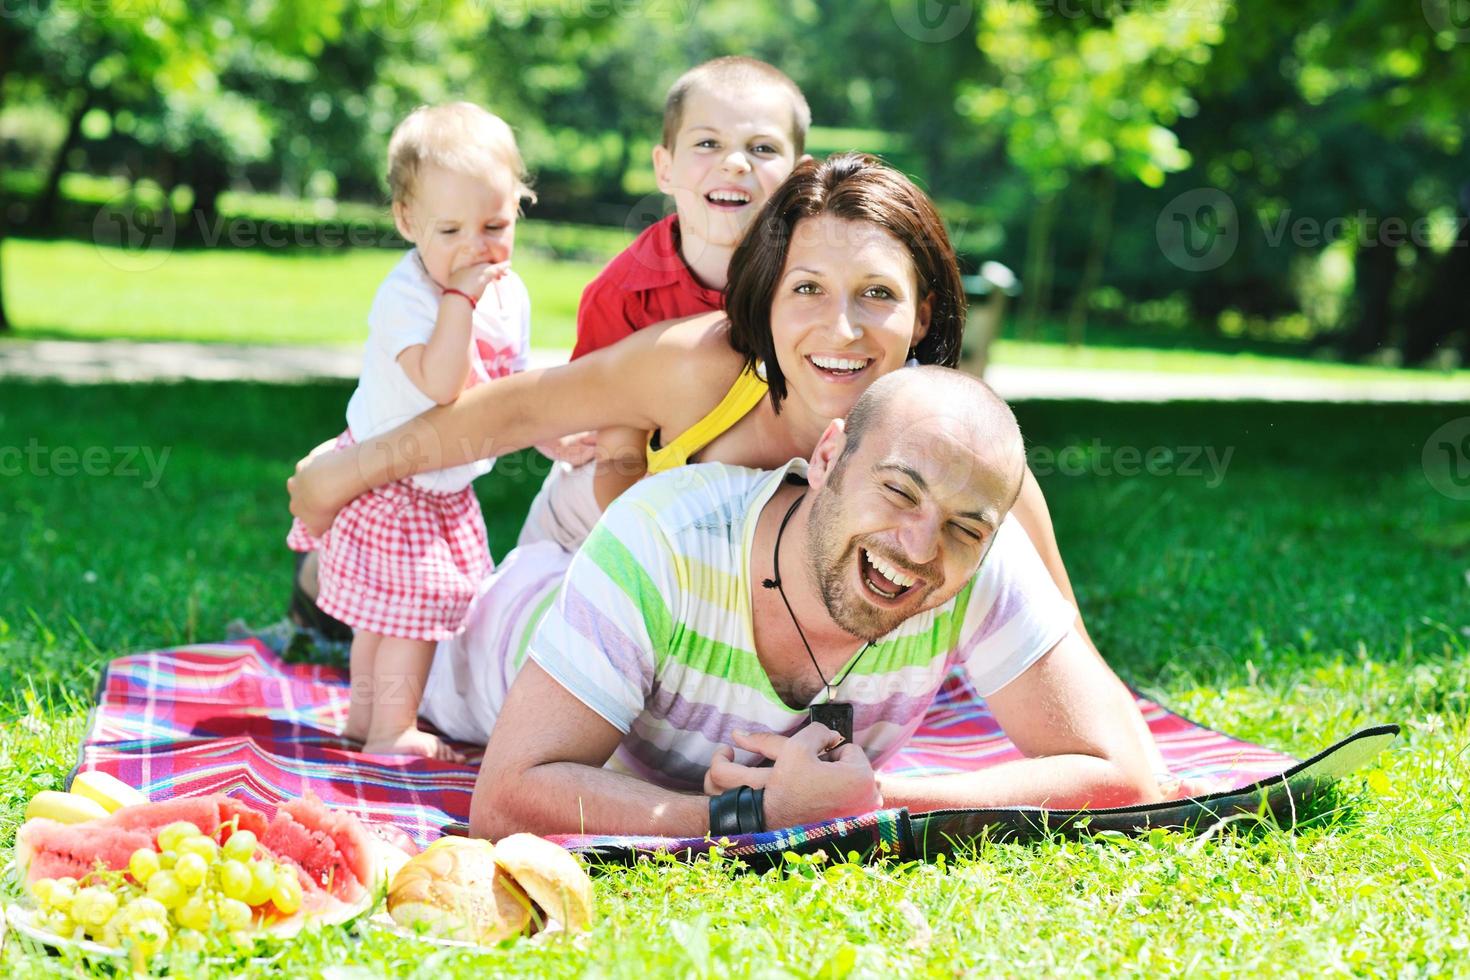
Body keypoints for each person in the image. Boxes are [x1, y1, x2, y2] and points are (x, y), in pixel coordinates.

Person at [287, 154, 1159, 773]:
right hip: (581, 566)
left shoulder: (948, 447)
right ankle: (335, 595)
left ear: (926, 311)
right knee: (412, 641)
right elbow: (516, 411)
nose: (842, 331)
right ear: (770, 294)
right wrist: (348, 472)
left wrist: (1127, 749)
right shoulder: (704, 367)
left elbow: (1061, 629)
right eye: (809, 289)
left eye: (879, 296)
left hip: (707, 662)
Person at [457, 369, 1161, 839]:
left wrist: (871, 803)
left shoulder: (978, 559)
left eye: (963, 526)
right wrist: (746, 815)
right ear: (828, 457)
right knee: (418, 619)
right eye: (898, 490)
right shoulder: (664, 538)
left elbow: (1128, 776)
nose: (921, 546)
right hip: (503, 631)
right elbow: (508, 794)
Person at [286, 102, 535, 760]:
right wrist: (459, 301)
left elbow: (511, 382)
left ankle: (364, 722)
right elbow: (441, 383)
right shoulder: (410, 296)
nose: (473, 248)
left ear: (519, 206)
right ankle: (391, 729)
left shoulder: (508, 294)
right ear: (407, 221)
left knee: (389, 614)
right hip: (393, 478)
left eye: (495, 224)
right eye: (449, 229)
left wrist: (555, 434)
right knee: (408, 618)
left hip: (436, 481)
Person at [522, 56, 812, 551]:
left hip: (745, 495)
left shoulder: (812, 280)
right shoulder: (624, 293)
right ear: (665, 167)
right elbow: (616, 456)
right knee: (522, 601)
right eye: (707, 143)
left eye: (761, 148)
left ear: (799, 177)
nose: (735, 162)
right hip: (606, 507)